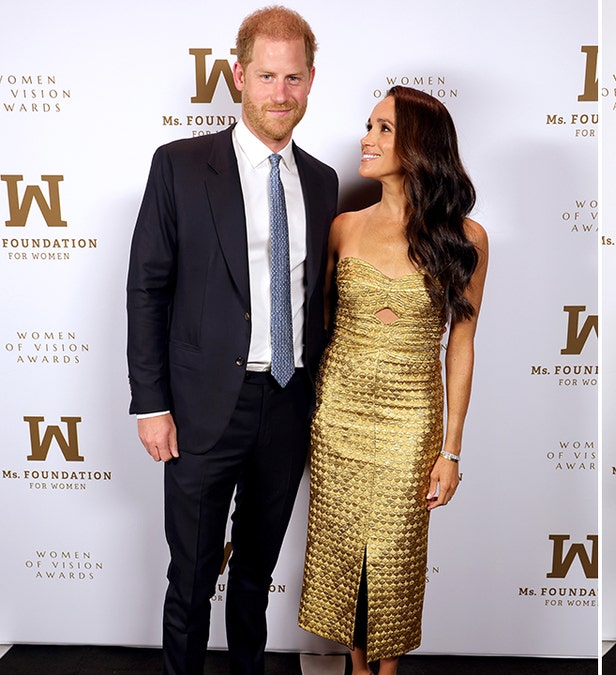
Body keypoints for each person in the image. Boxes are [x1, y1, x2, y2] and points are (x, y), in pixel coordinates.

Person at [126, 6, 338, 674]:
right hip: (199, 408)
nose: (282, 93)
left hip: (287, 403)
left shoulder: (325, 181)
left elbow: (318, 301)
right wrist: (150, 402)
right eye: (268, 76)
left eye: (294, 78)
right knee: (190, 578)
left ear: (309, 81)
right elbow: (147, 289)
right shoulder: (181, 166)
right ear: (239, 77)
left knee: (255, 576)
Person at [297, 85, 488, 675]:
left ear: (418, 146)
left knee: (394, 554)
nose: (367, 137)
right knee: (343, 550)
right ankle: (357, 666)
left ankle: (389, 669)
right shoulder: (343, 228)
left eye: (383, 128)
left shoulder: (465, 238)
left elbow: (461, 344)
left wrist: (451, 448)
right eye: (369, 125)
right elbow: (319, 330)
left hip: (412, 415)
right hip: (339, 410)